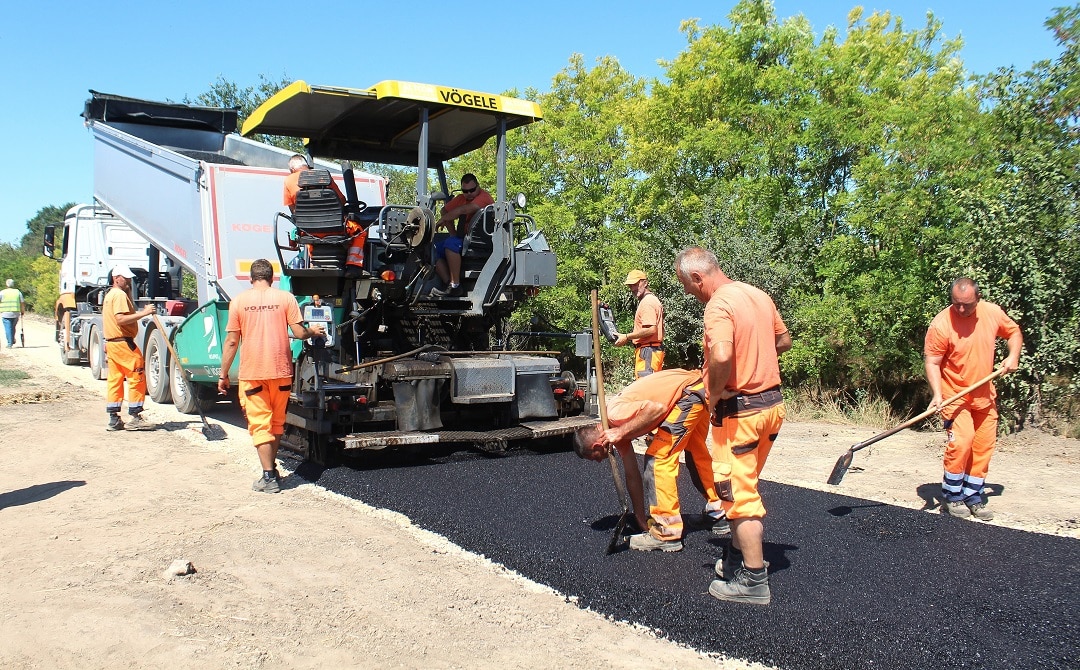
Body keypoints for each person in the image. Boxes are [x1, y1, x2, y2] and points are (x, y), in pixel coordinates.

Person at [675, 246, 790, 606]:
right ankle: (738, 559)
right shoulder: (756, 295)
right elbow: (783, 341)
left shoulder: (719, 306)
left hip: (741, 413)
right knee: (747, 485)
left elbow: (722, 354)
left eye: (686, 286)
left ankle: (754, 581)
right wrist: (755, 356)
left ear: (698, 277)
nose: (687, 293)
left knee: (738, 497)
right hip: (772, 407)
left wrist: (715, 392)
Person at [573, 368, 729, 552]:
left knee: (658, 459)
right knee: (695, 451)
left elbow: (657, 409)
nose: (599, 462)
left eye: (595, 459)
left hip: (688, 393)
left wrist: (621, 431)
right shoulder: (614, 434)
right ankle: (718, 511)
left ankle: (666, 532)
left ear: (597, 447)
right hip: (698, 389)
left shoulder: (615, 414)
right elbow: (632, 475)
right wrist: (640, 516)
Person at [218, 259, 325, 494]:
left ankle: (268, 477)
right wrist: (313, 331)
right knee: (276, 423)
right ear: (272, 277)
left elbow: (232, 341)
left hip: (253, 373)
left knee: (260, 425)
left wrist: (223, 374)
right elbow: (298, 333)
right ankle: (272, 470)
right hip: (281, 371)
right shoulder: (285, 299)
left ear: (251, 278)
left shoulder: (239, 302)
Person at [924, 277, 1022, 521]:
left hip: (984, 396)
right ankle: (953, 496)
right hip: (954, 396)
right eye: (956, 303)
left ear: (978, 299)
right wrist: (938, 395)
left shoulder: (991, 313)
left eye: (966, 305)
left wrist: (1013, 357)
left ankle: (973, 495)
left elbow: (1014, 332)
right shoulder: (941, 323)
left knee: (983, 447)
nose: (960, 309)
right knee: (962, 442)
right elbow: (932, 362)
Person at [102, 266, 157, 431]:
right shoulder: (118, 295)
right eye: (124, 278)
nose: (128, 281)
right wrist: (145, 312)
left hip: (113, 344)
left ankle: (114, 418)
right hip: (123, 343)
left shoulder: (110, 295)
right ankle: (135, 416)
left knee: (115, 379)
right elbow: (120, 319)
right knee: (137, 375)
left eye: (128, 278)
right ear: (116, 278)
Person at [431, 173, 494, 297]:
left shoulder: (484, 197)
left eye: (472, 190)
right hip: (463, 238)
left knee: (450, 244)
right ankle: (450, 284)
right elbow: (444, 210)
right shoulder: (461, 198)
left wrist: (443, 220)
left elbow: (463, 210)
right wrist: (452, 232)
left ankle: (455, 284)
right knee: (431, 249)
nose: (469, 193)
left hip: (479, 241)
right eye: (465, 191)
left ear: (478, 186)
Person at [614, 270, 665, 377]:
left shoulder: (647, 302)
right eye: (630, 286)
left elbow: (651, 329)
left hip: (648, 352)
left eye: (635, 284)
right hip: (650, 351)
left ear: (645, 283)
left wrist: (626, 337)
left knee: (646, 389)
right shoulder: (651, 300)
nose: (633, 288)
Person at [1, 278, 25, 348]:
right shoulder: (17, 292)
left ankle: (10, 343)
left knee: (8, 328)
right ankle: (12, 339)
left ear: (6, 285)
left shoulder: (2, 292)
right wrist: (22, 311)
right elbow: (22, 302)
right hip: (15, 313)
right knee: (12, 327)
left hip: (5, 313)